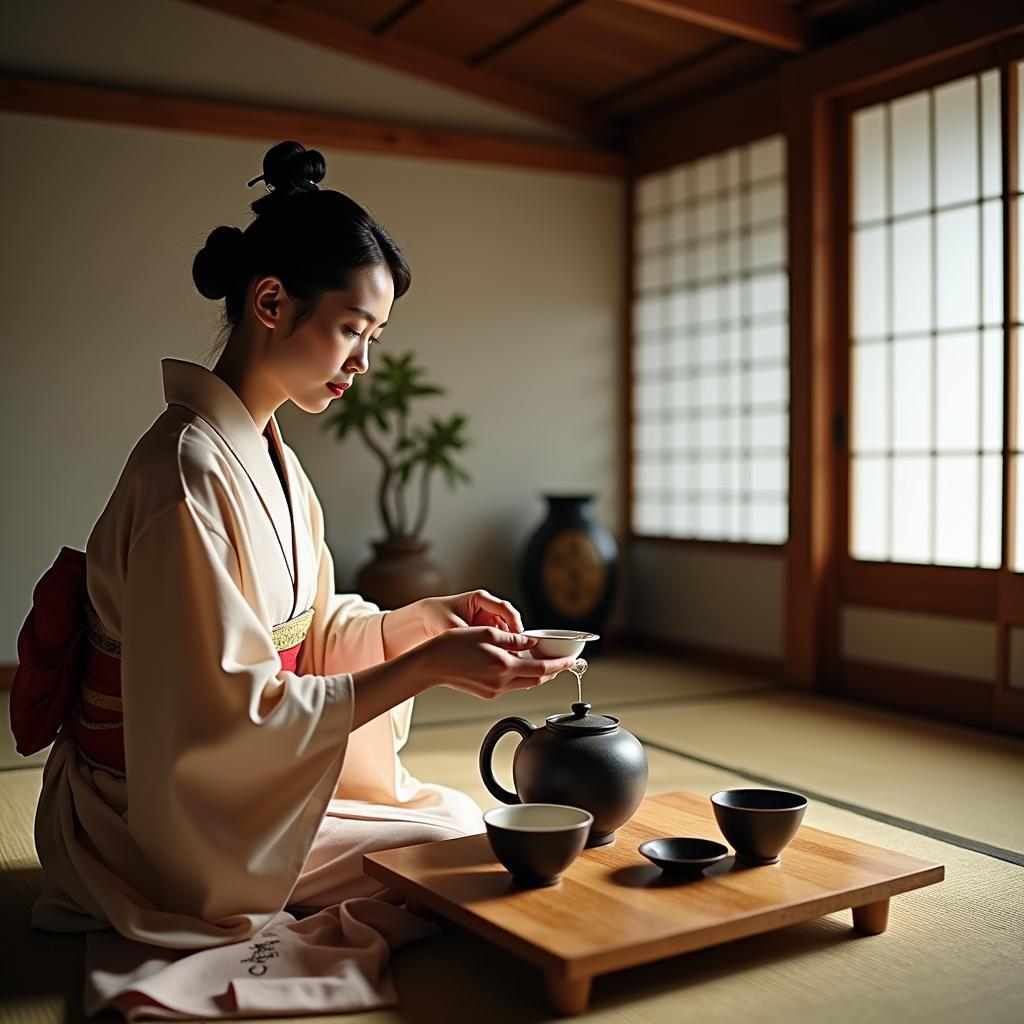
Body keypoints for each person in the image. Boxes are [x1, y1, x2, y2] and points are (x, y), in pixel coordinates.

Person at [12, 140, 576, 1015]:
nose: (362, 362)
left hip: (212, 788)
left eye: (374, 338)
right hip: (148, 821)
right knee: (461, 840)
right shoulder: (188, 475)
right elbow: (220, 713)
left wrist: (421, 623)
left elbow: (307, 631)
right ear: (271, 301)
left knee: (459, 828)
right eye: (353, 329)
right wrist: (428, 668)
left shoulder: (268, 454)